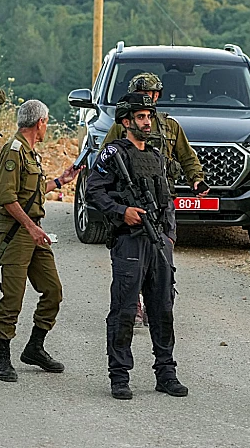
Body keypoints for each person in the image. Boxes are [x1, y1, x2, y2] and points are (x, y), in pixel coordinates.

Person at [86, 93, 188, 400]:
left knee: (162, 309)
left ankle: (166, 373)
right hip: (129, 240)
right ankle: (119, 376)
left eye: (149, 117)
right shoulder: (113, 154)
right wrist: (122, 212)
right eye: (141, 117)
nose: (147, 122)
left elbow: (167, 197)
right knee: (125, 310)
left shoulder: (156, 156)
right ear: (127, 121)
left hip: (157, 241)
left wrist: (169, 235)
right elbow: (93, 189)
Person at [101, 72, 207, 327]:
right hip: (133, 200)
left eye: (150, 94)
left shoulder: (170, 126)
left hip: (163, 199)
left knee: (163, 250)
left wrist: (196, 179)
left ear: (157, 96)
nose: (147, 100)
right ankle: (134, 303)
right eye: (141, 95)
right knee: (133, 256)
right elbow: (106, 157)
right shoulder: (123, 124)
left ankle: (156, 303)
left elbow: (187, 156)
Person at [0, 100, 81, 382]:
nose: (47, 127)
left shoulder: (31, 153)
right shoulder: (14, 151)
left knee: (53, 291)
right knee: (13, 297)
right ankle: (2, 356)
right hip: (17, 233)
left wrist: (61, 180)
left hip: (33, 232)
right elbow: (7, 198)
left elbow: (34, 190)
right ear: (39, 122)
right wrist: (30, 227)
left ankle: (34, 347)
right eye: (46, 122)